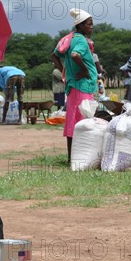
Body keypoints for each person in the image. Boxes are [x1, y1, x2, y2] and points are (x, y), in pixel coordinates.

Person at [51, 8, 98, 163]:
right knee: (82, 122)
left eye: (92, 24)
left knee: (73, 121)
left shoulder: (71, 39)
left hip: (74, 86)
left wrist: (65, 73)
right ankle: (79, 158)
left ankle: (73, 157)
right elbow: (75, 55)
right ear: (80, 25)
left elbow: (54, 55)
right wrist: (84, 70)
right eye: (88, 24)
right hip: (82, 87)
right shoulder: (81, 41)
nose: (91, 27)